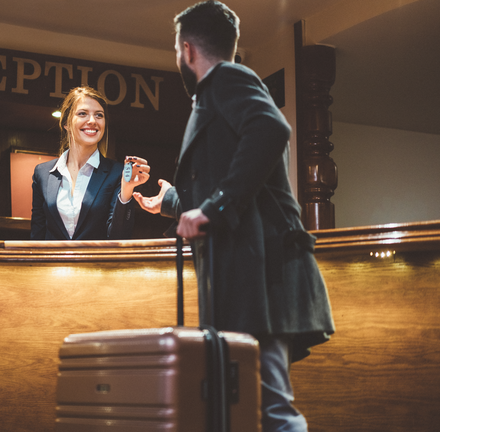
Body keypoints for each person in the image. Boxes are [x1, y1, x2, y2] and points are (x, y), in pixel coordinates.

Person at [132, 2, 335, 431]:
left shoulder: (227, 77)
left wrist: (212, 208)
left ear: (187, 50)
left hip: (261, 278)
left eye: (176, 50)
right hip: (247, 278)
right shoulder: (218, 90)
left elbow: (271, 130)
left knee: (273, 410)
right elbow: (226, 180)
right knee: (244, 408)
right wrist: (171, 203)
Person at [31, 86, 150, 240]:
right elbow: (37, 235)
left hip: (95, 263)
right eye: (82, 114)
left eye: (99, 115)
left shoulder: (117, 173)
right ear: (66, 123)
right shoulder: (42, 173)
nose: (92, 121)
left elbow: (118, 238)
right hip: (54, 263)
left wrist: (126, 190)